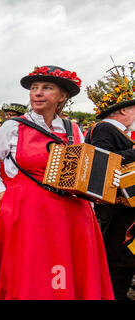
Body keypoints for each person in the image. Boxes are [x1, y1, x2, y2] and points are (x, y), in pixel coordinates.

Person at [0, 65, 114, 299]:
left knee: (63, 275)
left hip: (70, 217)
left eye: (46, 88)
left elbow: (83, 169)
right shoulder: (14, 127)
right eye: (34, 88)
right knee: (32, 274)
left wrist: (91, 201)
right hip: (28, 215)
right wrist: (5, 196)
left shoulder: (73, 129)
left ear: (62, 97)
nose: (37, 93)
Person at [85, 64, 135, 300]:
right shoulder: (105, 128)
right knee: (117, 261)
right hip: (114, 209)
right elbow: (100, 163)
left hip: (119, 209)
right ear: (122, 111)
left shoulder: (114, 131)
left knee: (121, 260)